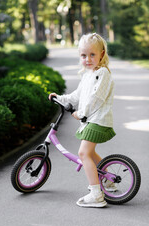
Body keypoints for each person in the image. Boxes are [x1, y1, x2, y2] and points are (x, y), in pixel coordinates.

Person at [49, 33, 116, 208]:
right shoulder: (88, 74)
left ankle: (96, 195)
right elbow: (77, 95)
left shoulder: (102, 73)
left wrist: (81, 113)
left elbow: (96, 98)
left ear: (101, 54)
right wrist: (61, 98)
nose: (87, 59)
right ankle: (108, 180)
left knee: (83, 153)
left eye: (92, 55)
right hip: (92, 120)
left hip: (98, 120)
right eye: (83, 55)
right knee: (91, 153)